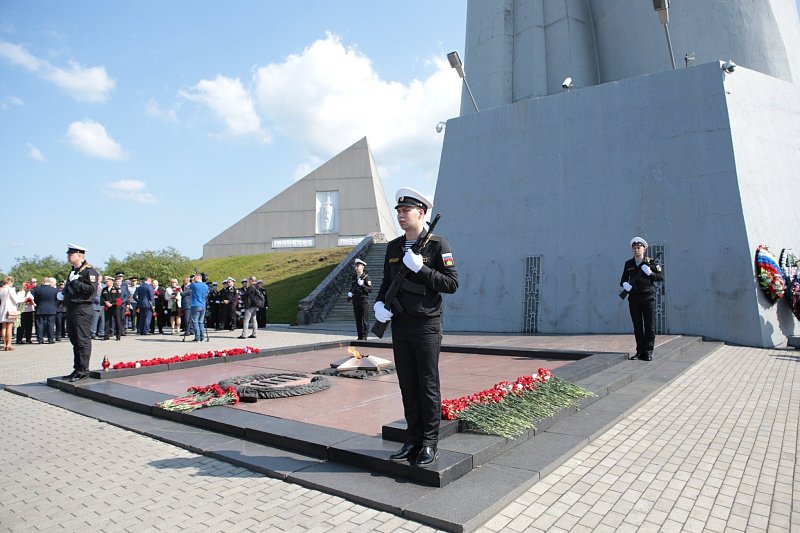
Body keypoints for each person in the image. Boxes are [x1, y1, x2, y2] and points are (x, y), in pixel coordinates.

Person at [373, 187, 458, 466]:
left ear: (421, 213)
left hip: (426, 325)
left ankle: (429, 443)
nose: (400, 215)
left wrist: (422, 269)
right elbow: (387, 283)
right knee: (408, 384)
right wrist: (379, 304)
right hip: (400, 324)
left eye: (405, 210)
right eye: (398, 211)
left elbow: (451, 284)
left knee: (427, 384)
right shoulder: (394, 247)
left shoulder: (438, 245)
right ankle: (412, 439)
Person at [620, 236, 663, 361]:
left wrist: (650, 273)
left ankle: (648, 352)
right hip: (634, 299)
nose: (636, 250)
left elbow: (660, 277)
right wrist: (625, 285)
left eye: (639, 248)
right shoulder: (628, 264)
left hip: (648, 297)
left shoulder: (650, 262)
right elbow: (623, 280)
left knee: (650, 326)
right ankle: (639, 351)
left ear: (644, 249)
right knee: (637, 326)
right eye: (634, 248)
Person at [62, 243, 99, 382]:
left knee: (82, 340)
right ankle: (77, 368)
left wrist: (75, 283)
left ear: (79, 255)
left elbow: (91, 290)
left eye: (71, 254)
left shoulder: (89, 271)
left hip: (82, 309)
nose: (68, 256)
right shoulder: (74, 271)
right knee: (75, 340)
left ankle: (83, 370)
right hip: (72, 308)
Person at [348, 258, 372, 340]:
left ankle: (364, 337)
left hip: (364, 301)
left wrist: (362, 285)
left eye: (358, 266)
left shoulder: (366, 277)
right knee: (358, 320)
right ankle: (360, 336)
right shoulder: (354, 277)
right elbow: (352, 287)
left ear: (362, 267)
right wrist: (350, 293)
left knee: (365, 320)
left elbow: (370, 289)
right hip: (356, 300)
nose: (356, 268)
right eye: (355, 266)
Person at [0, 276, 24, 351]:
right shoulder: (10, 289)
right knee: (10, 327)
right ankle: (9, 344)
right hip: (10, 310)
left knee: (4, 327)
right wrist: (23, 297)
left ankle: (4, 344)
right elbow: (16, 300)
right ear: (10, 282)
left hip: (2, 309)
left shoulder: (1, 289)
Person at [33, 277, 58, 344]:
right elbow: (56, 299)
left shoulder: (38, 289)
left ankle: (40, 339)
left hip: (40, 308)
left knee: (40, 324)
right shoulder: (55, 290)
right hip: (51, 308)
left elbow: (35, 300)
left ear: (43, 282)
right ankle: (51, 339)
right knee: (51, 324)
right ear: (49, 282)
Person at [187, 274, 209, 342]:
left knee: (195, 321)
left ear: (198, 278)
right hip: (203, 305)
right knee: (201, 322)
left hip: (195, 305)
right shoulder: (205, 285)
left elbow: (187, 287)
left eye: (195, 278)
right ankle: (202, 337)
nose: (194, 279)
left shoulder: (194, 285)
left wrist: (192, 280)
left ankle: (197, 337)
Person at [101, 276, 123, 341]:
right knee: (107, 321)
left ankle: (118, 336)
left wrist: (112, 304)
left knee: (117, 321)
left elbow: (118, 299)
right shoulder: (104, 289)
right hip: (107, 307)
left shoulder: (116, 289)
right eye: (105, 282)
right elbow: (102, 298)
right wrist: (105, 302)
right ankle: (106, 335)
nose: (106, 282)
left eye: (107, 281)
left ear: (111, 281)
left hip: (115, 307)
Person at [16, 280, 36, 345]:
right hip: (22, 311)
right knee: (21, 326)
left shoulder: (30, 293)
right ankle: (19, 339)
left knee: (29, 326)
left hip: (29, 310)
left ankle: (28, 338)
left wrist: (31, 301)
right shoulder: (19, 293)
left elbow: (33, 299)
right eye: (25, 285)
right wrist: (25, 300)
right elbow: (18, 301)